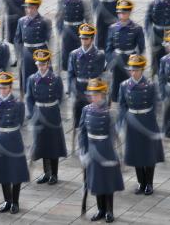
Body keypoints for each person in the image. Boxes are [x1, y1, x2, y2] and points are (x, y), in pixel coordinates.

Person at [78, 78, 124, 223]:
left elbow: (112, 134)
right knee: (97, 182)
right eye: (92, 94)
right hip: (91, 149)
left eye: (97, 94)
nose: (94, 97)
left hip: (105, 149)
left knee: (107, 182)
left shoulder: (109, 112)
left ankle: (109, 210)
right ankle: (100, 209)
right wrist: (83, 152)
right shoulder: (86, 110)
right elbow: (82, 132)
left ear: (103, 94)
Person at [118, 55, 164, 196]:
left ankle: (149, 183)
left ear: (142, 70)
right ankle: (141, 182)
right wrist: (123, 122)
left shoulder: (150, 85)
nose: (134, 72)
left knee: (149, 153)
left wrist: (152, 122)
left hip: (147, 121)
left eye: (137, 70)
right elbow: (122, 106)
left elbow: (156, 105)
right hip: (133, 121)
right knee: (136, 153)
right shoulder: (124, 86)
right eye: (132, 69)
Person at [0, 72, 29, 214]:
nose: (2, 90)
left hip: (14, 140)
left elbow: (20, 122)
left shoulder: (18, 104)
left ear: (10, 87)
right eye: (0, 88)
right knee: (3, 172)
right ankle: (7, 200)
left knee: (15, 172)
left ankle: (15, 201)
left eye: (4, 88)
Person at [26, 49, 67, 185]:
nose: (41, 67)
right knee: (42, 144)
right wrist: (33, 113)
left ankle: (54, 174)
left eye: (43, 64)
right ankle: (46, 173)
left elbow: (61, 97)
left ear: (48, 64)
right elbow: (29, 98)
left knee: (53, 144)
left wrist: (54, 109)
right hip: (39, 113)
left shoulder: (55, 79)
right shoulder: (32, 79)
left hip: (52, 113)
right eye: (39, 64)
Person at [105, 0, 145, 103]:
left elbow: (141, 48)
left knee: (130, 86)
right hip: (117, 60)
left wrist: (138, 64)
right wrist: (110, 61)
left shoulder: (137, 28)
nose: (122, 15)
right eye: (120, 12)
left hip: (130, 60)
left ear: (129, 12)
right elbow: (109, 48)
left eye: (125, 12)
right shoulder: (112, 28)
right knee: (115, 86)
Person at [68, 23, 105, 130]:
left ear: (92, 39)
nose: (83, 40)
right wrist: (72, 91)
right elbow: (71, 74)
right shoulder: (74, 54)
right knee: (78, 118)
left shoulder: (99, 55)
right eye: (82, 38)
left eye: (86, 38)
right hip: (79, 88)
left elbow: (100, 74)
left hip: (93, 88)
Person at [15, 0, 51, 93]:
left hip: (40, 51)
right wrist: (19, 54)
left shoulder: (44, 21)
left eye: (31, 7)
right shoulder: (21, 21)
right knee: (26, 77)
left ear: (36, 7)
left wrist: (48, 55)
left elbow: (49, 39)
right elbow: (17, 39)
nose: (29, 10)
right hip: (26, 52)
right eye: (27, 7)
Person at [55, 0, 92, 71]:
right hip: (67, 31)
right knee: (66, 57)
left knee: (79, 58)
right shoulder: (62, 0)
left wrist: (89, 35)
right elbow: (59, 17)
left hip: (79, 31)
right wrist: (60, 33)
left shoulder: (84, 1)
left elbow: (89, 19)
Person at [145, 0, 170, 76]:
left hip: (168, 34)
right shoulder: (152, 3)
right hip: (156, 34)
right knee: (156, 57)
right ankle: (155, 76)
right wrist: (150, 35)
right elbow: (147, 21)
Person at [158, 31, 170, 137]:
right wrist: (162, 92)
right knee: (166, 112)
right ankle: (166, 131)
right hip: (168, 89)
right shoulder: (164, 60)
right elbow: (161, 79)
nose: (167, 47)